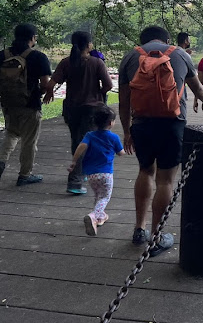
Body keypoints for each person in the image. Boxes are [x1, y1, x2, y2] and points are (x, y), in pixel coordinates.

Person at [119, 26, 203, 256]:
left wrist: (126, 131)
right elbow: (197, 86)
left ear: (142, 40)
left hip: (141, 122)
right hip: (173, 124)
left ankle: (139, 229)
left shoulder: (131, 57)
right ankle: (156, 236)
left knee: (145, 171)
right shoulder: (179, 54)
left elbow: (124, 101)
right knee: (165, 181)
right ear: (167, 39)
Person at [44, 31, 112, 194]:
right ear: (88, 45)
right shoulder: (96, 62)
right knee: (83, 143)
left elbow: (51, 83)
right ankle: (74, 182)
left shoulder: (66, 62)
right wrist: (99, 93)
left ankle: (81, 171)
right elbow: (109, 85)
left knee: (77, 141)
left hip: (71, 108)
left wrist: (49, 93)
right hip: (91, 109)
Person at [0, 23, 51, 185]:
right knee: (29, 141)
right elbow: (45, 84)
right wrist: (41, 92)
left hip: (8, 103)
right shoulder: (38, 57)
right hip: (30, 105)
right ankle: (25, 175)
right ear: (32, 38)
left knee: (11, 133)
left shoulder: (2, 55)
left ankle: (1, 161)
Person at [69, 105, 124, 236]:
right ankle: (94, 215)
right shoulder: (114, 137)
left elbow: (81, 147)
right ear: (111, 123)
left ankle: (100, 217)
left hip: (91, 175)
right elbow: (121, 153)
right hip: (106, 174)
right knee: (105, 197)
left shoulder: (90, 135)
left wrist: (74, 162)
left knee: (98, 195)